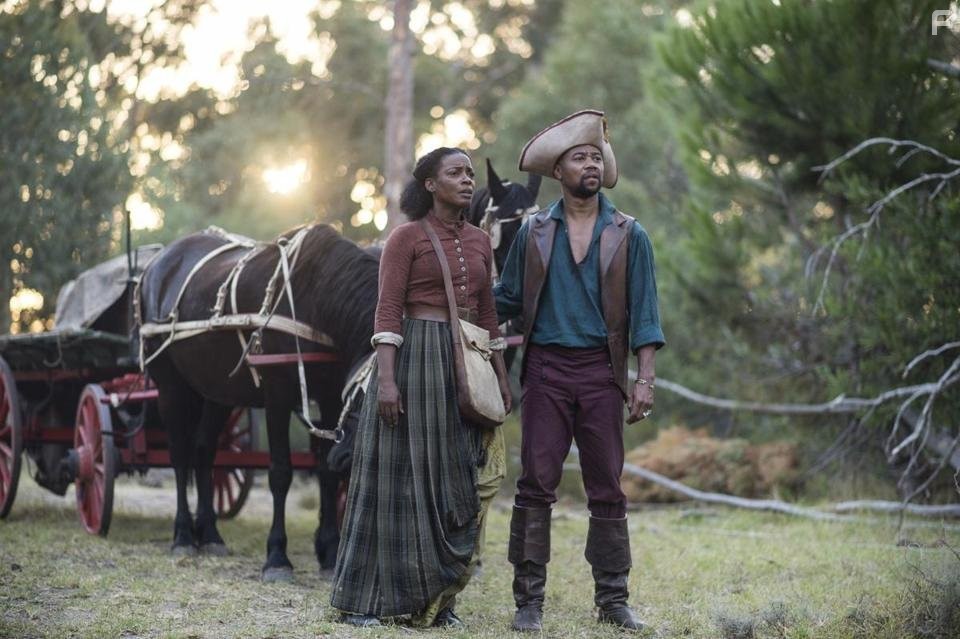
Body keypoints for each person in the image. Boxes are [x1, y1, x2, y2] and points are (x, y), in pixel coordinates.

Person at [493, 110, 665, 633]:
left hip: (600, 373)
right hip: (544, 371)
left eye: (596, 157)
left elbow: (646, 313)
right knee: (534, 485)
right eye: (579, 158)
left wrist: (644, 378)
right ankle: (529, 602)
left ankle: (613, 601)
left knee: (607, 486)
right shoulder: (534, 232)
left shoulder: (629, 234)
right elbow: (503, 299)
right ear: (559, 172)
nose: (590, 165)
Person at [330, 146, 512, 628]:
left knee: (456, 479)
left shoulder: (478, 242)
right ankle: (365, 602)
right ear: (430, 184)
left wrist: (499, 372)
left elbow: (488, 313)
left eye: (471, 173)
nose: (467, 180)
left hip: (462, 367)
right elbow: (387, 310)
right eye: (455, 172)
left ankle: (437, 602)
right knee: (395, 481)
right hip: (411, 361)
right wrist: (386, 381)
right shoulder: (404, 238)